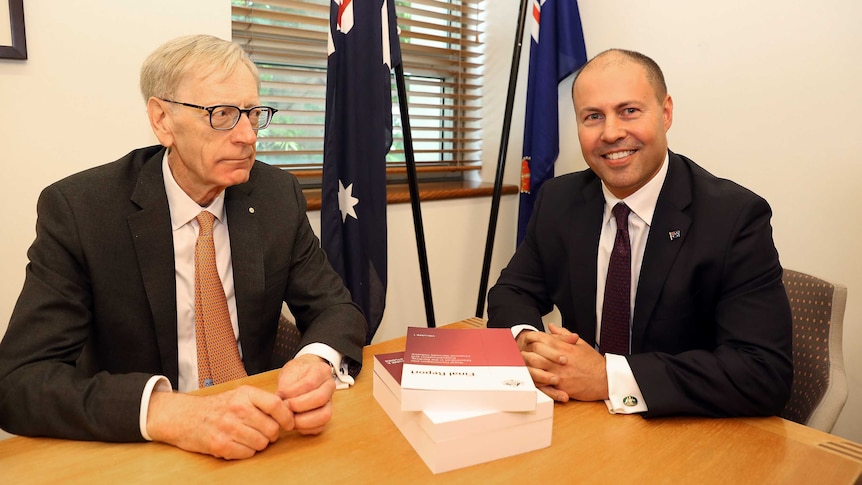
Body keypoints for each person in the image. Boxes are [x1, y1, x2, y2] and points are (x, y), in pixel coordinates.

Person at [0, 35, 366, 459]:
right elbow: (18, 381)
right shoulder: (82, 211)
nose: (248, 135)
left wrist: (316, 361)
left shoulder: (274, 194)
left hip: (263, 431)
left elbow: (335, 308)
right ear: (162, 121)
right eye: (223, 114)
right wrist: (170, 413)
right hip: (146, 451)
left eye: (252, 113)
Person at [488, 49, 793, 418]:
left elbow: (762, 373)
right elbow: (513, 290)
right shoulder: (559, 199)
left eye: (629, 111)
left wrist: (608, 377)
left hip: (681, 429)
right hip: (582, 418)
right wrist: (527, 344)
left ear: (665, 113)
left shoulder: (734, 217)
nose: (611, 133)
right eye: (593, 117)